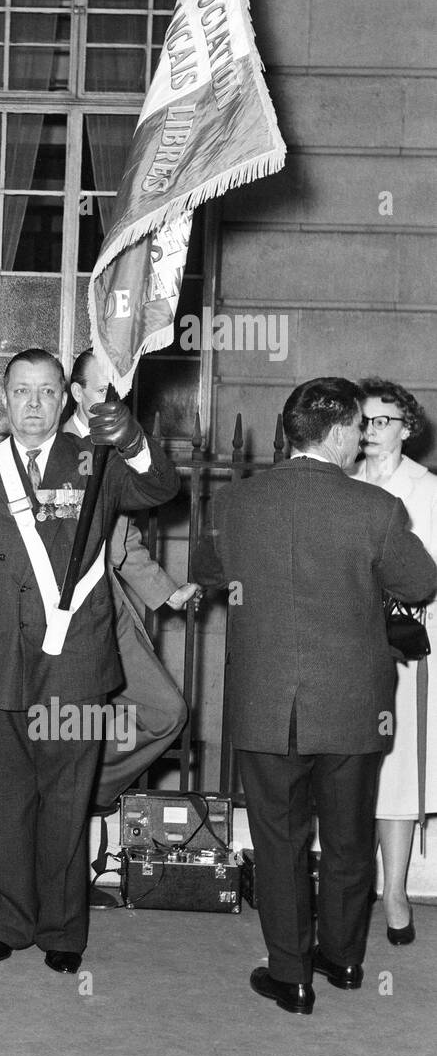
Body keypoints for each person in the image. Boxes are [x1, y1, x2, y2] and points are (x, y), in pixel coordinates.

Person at [194, 378, 436, 1015]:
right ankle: (346, 961)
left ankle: (291, 975)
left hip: (264, 702)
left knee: (279, 842)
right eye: (359, 426)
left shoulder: (235, 503)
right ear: (334, 433)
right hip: (355, 703)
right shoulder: (375, 509)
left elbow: (210, 572)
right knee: (350, 837)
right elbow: (422, 581)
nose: (363, 437)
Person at [0, 348, 178, 972]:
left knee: (66, 799)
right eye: (22, 391)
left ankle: (63, 932)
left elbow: (159, 486)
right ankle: (2, 922)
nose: (34, 404)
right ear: (4, 397)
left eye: (46, 392)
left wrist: (133, 439)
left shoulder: (95, 462)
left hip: (72, 662)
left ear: (65, 399)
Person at [65, 349, 197, 904]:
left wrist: (166, 592)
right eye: (101, 391)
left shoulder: (119, 447)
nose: (111, 403)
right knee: (64, 725)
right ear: (75, 394)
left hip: (109, 606)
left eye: (119, 393)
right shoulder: (52, 447)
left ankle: (80, 793)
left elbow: (124, 542)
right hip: (56, 613)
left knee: (165, 712)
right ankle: (63, 820)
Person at [351, 377, 437, 947]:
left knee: (399, 770)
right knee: (346, 766)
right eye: (364, 421)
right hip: (346, 645)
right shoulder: (340, 483)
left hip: (406, 646)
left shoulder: (427, 491)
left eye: (384, 421)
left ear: (408, 428)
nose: (372, 431)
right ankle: (347, 893)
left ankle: (397, 891)